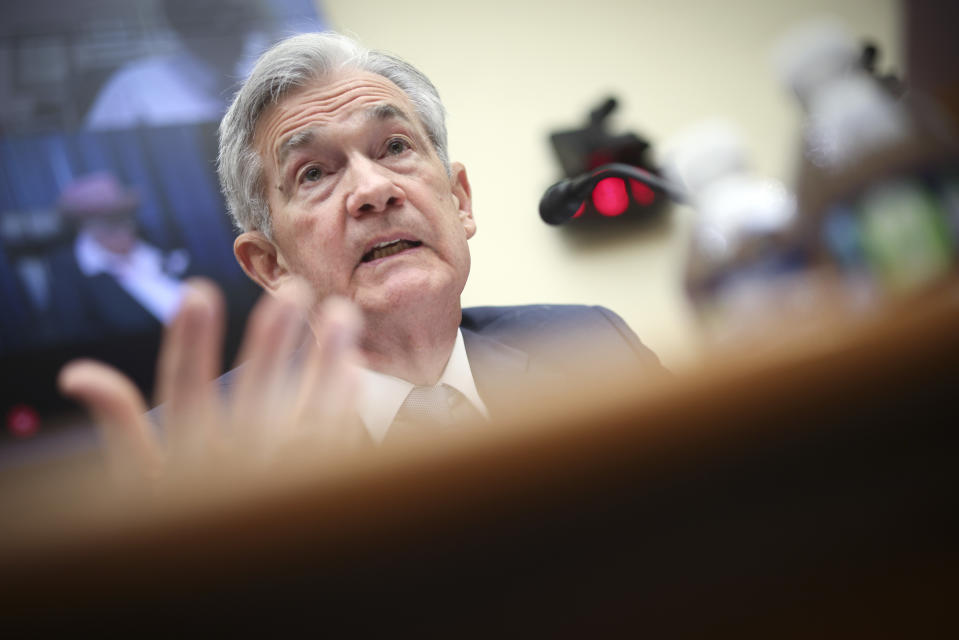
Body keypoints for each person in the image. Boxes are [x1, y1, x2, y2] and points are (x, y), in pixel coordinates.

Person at [59, 32, 664, 485]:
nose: (374, 189)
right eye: (314, 172)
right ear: (271, 266)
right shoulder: (192, 459)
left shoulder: (594, 345)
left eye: (395, 146)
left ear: (458, 201)